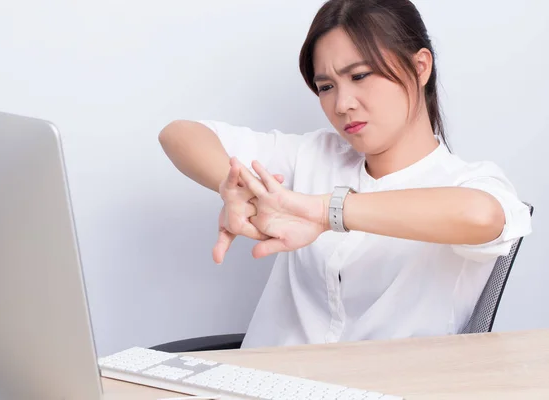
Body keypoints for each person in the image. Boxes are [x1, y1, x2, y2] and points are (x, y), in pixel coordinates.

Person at [158, 0, 532, 348]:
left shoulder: (466, 183)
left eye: (360, 76)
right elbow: (179, 134)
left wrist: (324, 213)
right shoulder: (313, 155)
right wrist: (241, 187)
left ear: (420, 67)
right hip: (258, 384)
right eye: (326, 87)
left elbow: (483, 216)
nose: (343, 104)